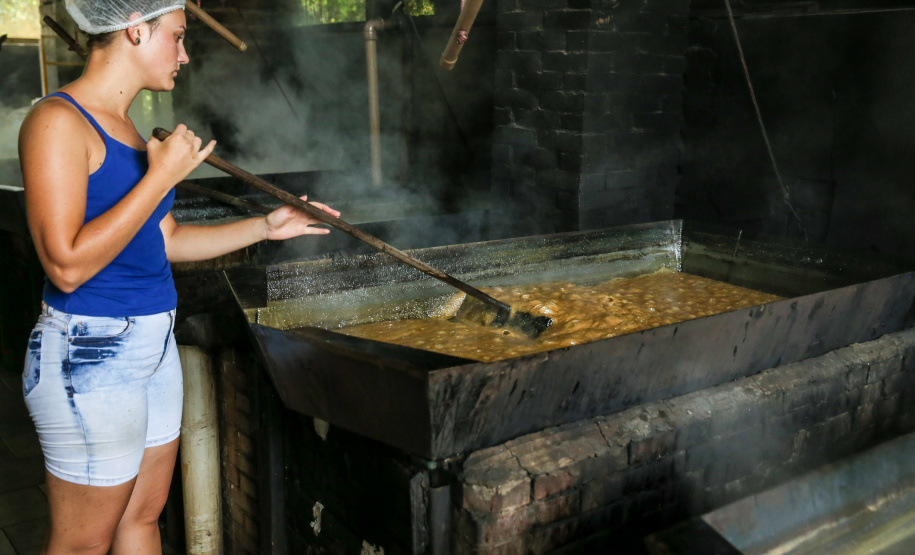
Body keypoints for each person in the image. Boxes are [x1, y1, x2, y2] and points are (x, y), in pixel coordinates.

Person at [17, 1, 339, 553]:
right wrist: (162, 173)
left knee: (142, 518)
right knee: (82, 545)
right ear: (136, 30)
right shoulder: (56, 121)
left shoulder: (130, 128)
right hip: (89, 352)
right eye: (178, 36)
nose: (185, 55)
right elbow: (65, 265)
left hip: (153, 344)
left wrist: (265, 226)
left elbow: (164, 240)